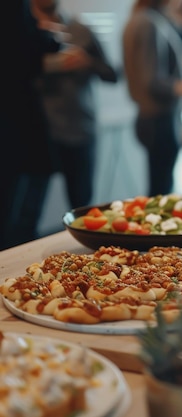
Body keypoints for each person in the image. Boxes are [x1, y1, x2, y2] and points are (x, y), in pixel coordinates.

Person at [32, 0, 118, 210]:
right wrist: (48, 65)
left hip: (79, 127)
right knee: (28, 208)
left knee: (82, 204)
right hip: (39, 131)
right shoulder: (26, 32)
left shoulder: (80, 30)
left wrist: (87, 61)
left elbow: (112, 73)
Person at [123, 0, 182, 196]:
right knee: (161, 191)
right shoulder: (149, 23)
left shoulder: (139, 20)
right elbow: (153, 82)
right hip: (159, 119)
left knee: (159, 184)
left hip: (149, 117)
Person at [0, 0, 60, 249]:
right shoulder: (14, 12)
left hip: (18, 123)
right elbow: (27, 53)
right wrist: (45, 36)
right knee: (16, 217)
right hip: (17, 124)